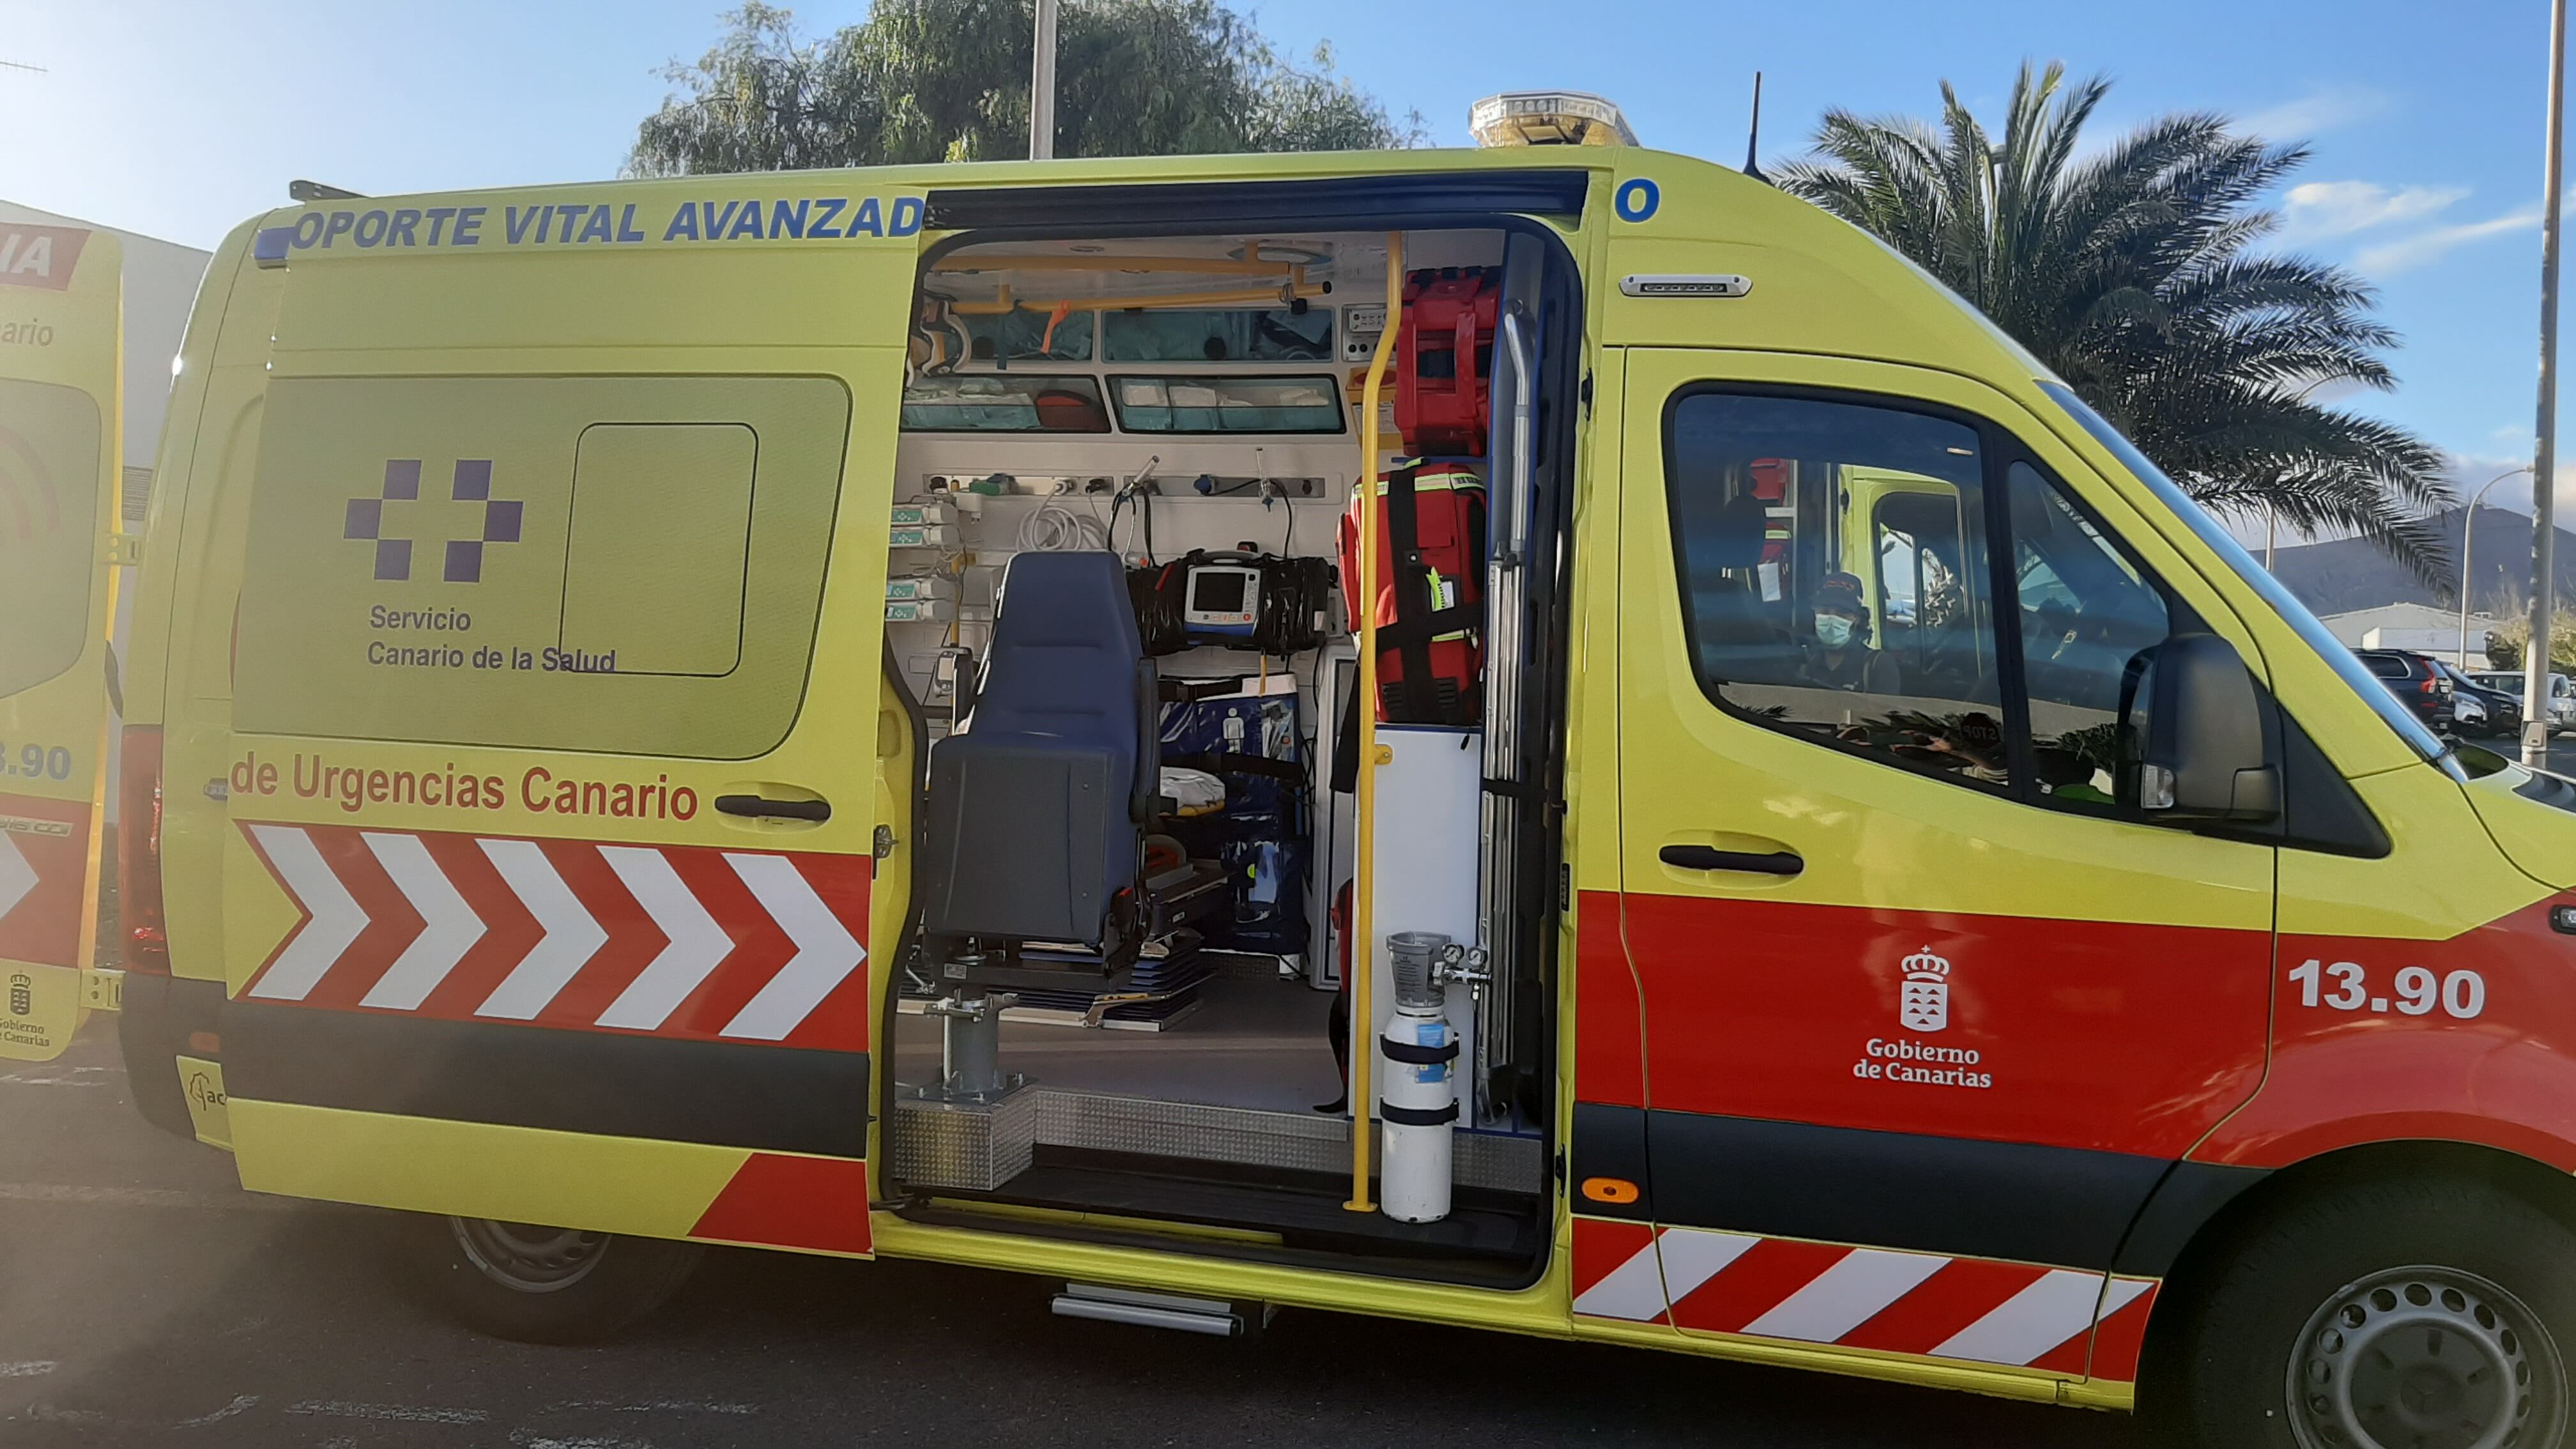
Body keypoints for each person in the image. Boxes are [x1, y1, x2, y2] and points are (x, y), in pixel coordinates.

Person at [1803, 571, 1901, 693]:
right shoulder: (1807, 663)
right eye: (1824, 611)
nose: (1831, 618)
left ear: (1857, 618)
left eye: (1842, 613)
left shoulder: (1878, 665)